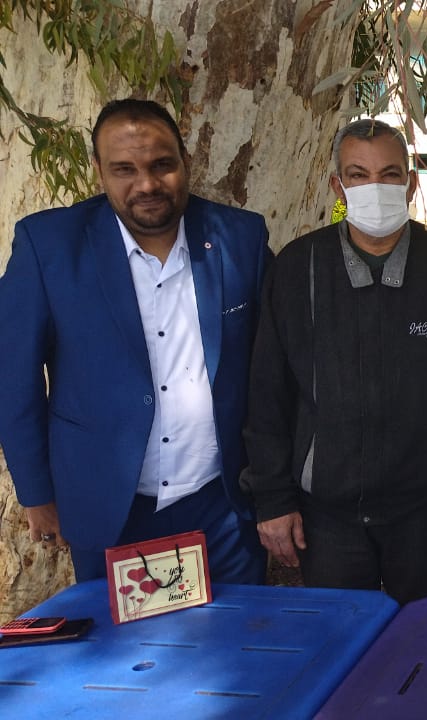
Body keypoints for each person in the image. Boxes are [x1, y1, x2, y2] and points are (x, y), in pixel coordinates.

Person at [0, 98, 270, 584]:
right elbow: (13, 378)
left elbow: (274, 367)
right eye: (124, 169)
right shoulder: (50, 246)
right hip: (109, 509)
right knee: (118, 636)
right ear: (99, 171)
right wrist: (37, 493)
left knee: (234, 630)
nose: (146, 184)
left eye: (161, 165)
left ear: (186, 161)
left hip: (223, 509)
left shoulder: (240, 237)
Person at [240, 118, 427, 605]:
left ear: (411, 184)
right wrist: (272, 499)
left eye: (389, 174)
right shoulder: (298, 268)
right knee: (341, 637)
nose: (374, 188)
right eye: (358, 175)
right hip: (326, 516)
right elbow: (267, 393)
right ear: (338, 186)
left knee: (421, 635)